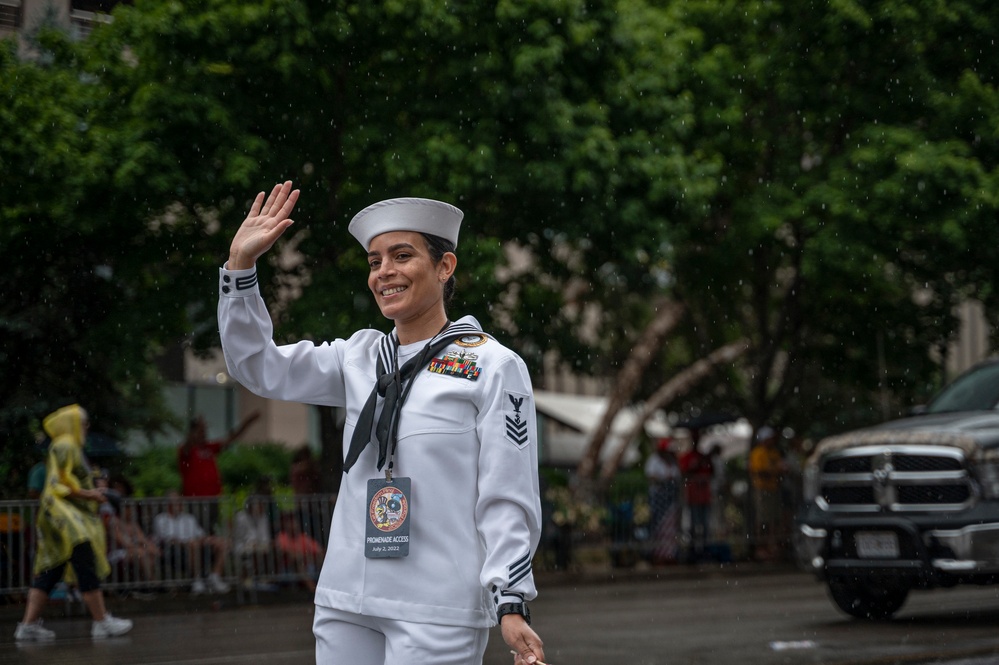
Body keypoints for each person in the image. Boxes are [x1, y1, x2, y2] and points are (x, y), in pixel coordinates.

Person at [218, 182, 546, 665]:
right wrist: (240, 267)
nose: (384, 272)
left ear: (444, 266)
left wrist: (511, 599)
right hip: (346, 597)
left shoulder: (492, 365)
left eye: (401, 256)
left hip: (437, 605)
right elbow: (255, 365)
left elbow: (507, 492)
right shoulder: (360, 356)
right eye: (374, 262)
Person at [14, 404, 133, 641]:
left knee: (50, 570)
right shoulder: (67, 445)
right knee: (84, 564)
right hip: (66, 520)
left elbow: (67, 481)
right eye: (83, 422)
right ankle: (101, 622)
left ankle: (27, 626)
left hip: (57, 519)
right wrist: (91, 494)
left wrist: (92, 489)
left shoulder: (66, 446)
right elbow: (60, 484)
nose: (86, 427)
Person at [177, 410, 260, 532]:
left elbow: (231, 439)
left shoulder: (209, 448)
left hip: (212, 500)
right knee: (196, 531)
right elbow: (187, 446)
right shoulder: (187, 450)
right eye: (201, 431)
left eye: (204, 431)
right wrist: (195, 429)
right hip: (195, 501)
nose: (204, 434)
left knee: (210, 530)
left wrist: (246, 424)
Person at [152, 490, 231, 594]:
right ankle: (196, 580)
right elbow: (168, 539)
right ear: (168, 504)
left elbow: (201, 535)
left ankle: (215, 576)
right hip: (173, 550)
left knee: (222, 543)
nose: (180, 504)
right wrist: (189, 542)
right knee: (193, 544)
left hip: (197, 546)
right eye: (176, 502)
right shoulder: (161, 519)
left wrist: (211, 540)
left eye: (180, 502)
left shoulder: (189, 518)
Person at [748, 426, 787, 562]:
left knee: (774, 520)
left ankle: (772, 547)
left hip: (773, 489)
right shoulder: (758, 453)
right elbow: (759, 472)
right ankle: (761, 548)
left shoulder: (774, 453)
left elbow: (782, 469)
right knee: (763, 519)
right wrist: (775, 471)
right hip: (762, 490)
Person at [644, 437, 681, 565]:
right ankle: (656, 554)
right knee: (657, 526)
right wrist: (664, 479)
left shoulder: (673, 462)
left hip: (671, 499)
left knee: (670, 527)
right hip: (659, 498)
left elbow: (678, 477)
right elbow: (651, 475)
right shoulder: (654, 460)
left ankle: (669, 554)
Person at [679, 429, 714, 562]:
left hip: (705, 496)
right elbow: (684, 473)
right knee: (694, 524)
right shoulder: (687, 457)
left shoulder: (703, 456)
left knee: (705, 524)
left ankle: (705, 549)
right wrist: (696, 465)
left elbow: (711, 472)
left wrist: (708, 460)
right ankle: (693, 550)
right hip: (693, 496)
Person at [275, 510, 324, 593]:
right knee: (298, 564)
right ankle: (314, 590)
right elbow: (290, 556)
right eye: (290, 522)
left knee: (320, 559)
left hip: (308, 565)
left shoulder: (303, 537)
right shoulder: (282, 537)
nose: (293, 525)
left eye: (294, 522)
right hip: (288, 568)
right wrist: (306, 556)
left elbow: (319, 551)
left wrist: (307, 557)